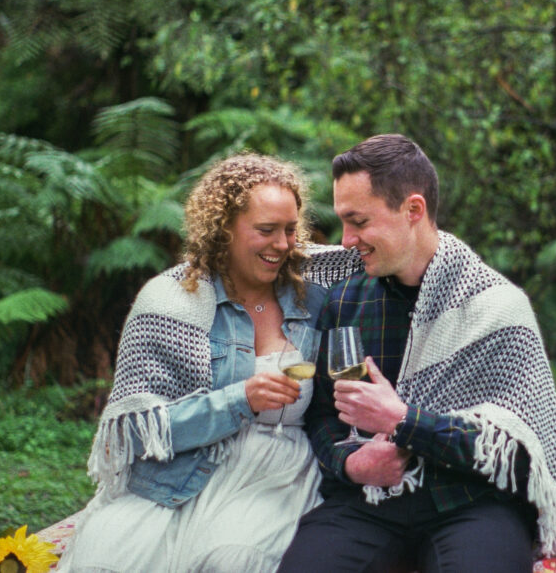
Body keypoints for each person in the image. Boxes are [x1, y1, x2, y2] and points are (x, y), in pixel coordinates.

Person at [278, 134, 556, 573]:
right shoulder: (345, 299)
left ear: (413, 210)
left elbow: (518, 455)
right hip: (369, 502)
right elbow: (322, 414)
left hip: (473, 503)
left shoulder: (496, 309)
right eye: (343, 222)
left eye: (358, 221)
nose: (346, 240)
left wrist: (403, 421)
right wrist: (353, 463)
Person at [57, 153, 359, 572]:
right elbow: (144, 433)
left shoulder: (317, 293)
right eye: (266, 230)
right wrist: (240, 399)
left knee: (232, 559)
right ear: (223, 230)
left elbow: (391, 249)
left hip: (278, 475)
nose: (284, 245)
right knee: (112, 553)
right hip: (185, 469)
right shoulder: (172, 302)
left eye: (291, 230)